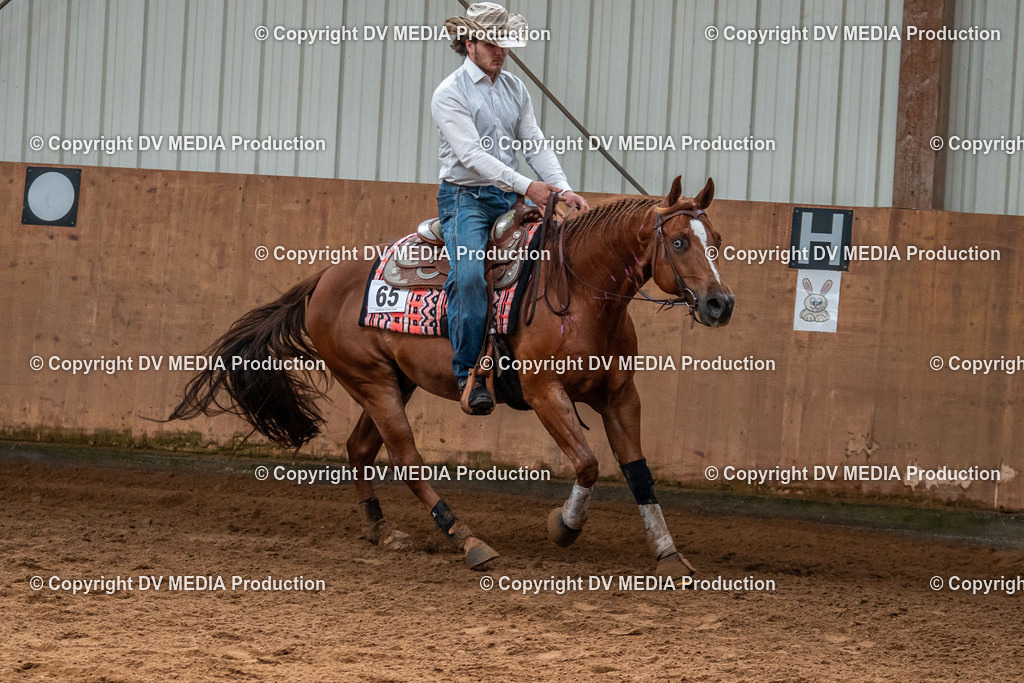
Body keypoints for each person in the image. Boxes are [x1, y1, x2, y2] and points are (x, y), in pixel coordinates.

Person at [432, 2, 589, 415]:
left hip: (509, 197)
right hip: (465, 199)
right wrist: (530, 187)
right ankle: (468, 373)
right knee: (468, 275)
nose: (500, 50)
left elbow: (534, 144)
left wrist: (563, 189)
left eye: (504, 43)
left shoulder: (515, 89)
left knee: (555, 260)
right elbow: (471, 157)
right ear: (469, 44)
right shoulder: (449, 94)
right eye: (490, 43)